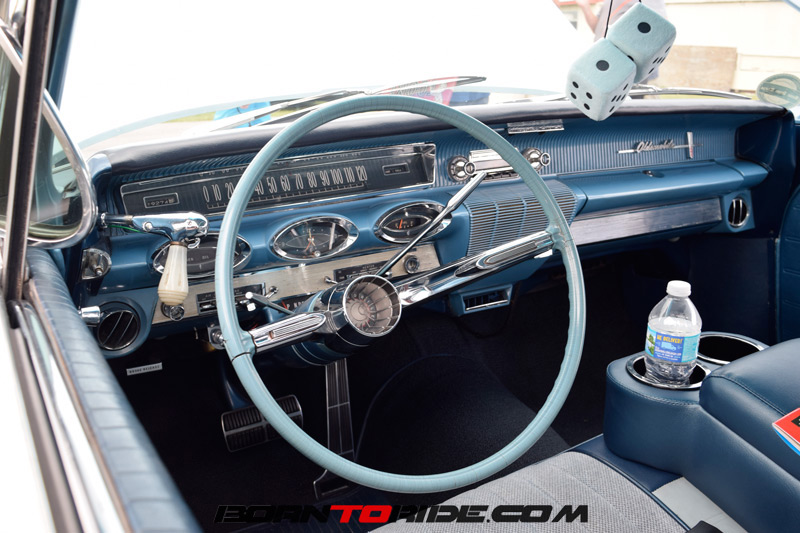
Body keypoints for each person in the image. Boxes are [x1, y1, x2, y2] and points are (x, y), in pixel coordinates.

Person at [574, 0, 669, 82]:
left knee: (630, 97)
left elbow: (659, 26)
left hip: (626, 64)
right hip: (603, 59)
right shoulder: (609, 2)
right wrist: (585, 6)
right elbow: (597, 29)